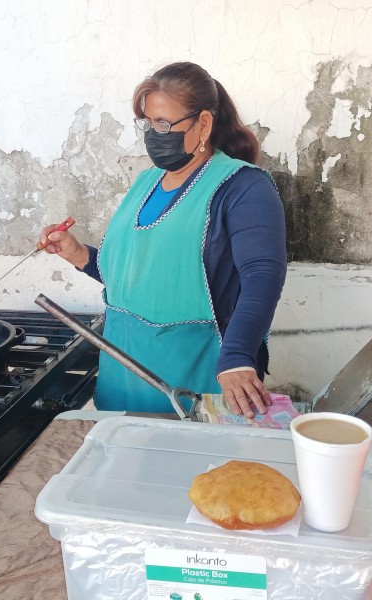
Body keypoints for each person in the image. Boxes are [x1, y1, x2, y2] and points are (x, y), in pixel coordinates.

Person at [40, 61, 287, 419]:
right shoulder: (146, 183)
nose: (154, 134)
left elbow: (263, 276)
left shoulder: (243, 187)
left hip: (195, 377)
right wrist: (80, 255)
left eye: (164, 124)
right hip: (125, 374)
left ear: (203, 123)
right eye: (147, 123)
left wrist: (236, 357)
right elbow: (137, 275)